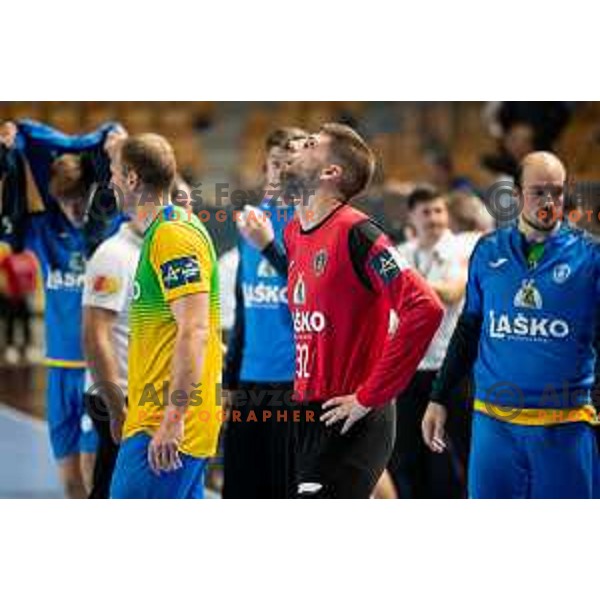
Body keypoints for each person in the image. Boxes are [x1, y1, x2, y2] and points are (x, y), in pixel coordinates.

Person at [248, 123, 444, 498]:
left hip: (352, 412)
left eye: (307, 144)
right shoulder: (292, 232)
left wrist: (369, 395)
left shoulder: (358, 232)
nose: (293, 147)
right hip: (307, 411)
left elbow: (424, 307)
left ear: (329, 172)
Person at [423, 151, 600, 499]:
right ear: (517, 195)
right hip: (494, 428)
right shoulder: (487, 251)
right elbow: (469, 328)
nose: (549, 202)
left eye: (557, 192)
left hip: (564, 428)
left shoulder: (590, 257)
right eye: (538, 192)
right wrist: (439, 397)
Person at [0, 119, 123, 498]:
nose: (71, 208)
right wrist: (8, 151)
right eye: (63, 201)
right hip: (56, 370)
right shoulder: (42, 228)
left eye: (77, 199)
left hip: (96, 372)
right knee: (70, 482)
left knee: (92, 475)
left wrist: (118, 147)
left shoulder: (113, 226)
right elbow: (10, 217)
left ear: (90, 193)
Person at [109, 133, 222, 499]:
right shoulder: (170, 229)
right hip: (166, 422)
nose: (109, 181)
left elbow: (195, 329)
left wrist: (172, 421)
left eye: (114, 172)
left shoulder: (172, 236)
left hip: (164, 429)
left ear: (131, 179)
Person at [222, 127, 306, 498]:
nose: (283, 172)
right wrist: (229, 380)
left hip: (295, 381)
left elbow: (313, 290)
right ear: (265, 168)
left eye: (292, 165)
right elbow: (244, 304)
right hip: (250, 381)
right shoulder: (251, 221)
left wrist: (271, 245)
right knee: (241, 488)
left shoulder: (311, 222)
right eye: (276, 164)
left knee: (285, 489)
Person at [389, 185, 469, 498]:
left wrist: (408, 287)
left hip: (451, 367)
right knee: (408, 453)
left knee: (460, 447)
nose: (434, 218)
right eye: (426, 212)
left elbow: (453, 293)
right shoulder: (401, 254)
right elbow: (385, 298)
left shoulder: (463, 249)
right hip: (409, 369)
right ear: (412, 217)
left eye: (438, 211)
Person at [82, 200, 142, 498]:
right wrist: (117, 407)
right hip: (116, 394)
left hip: (147, 394)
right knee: (112, 486)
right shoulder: (114, 255)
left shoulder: (162, 251)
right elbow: (95, 335)